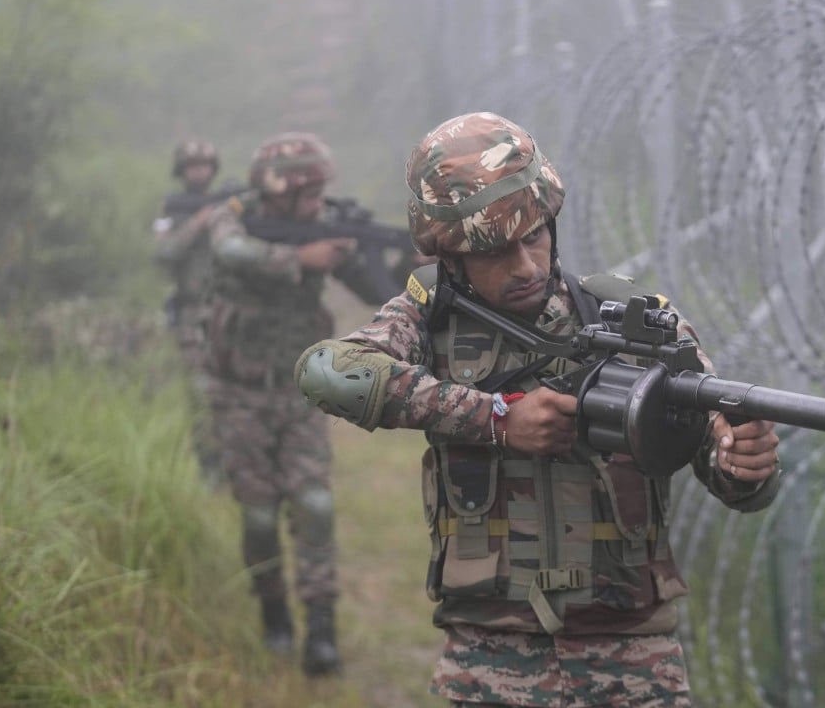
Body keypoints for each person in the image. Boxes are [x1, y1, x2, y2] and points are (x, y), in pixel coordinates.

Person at [294, 112, 782, 706]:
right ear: (451, 256)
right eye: (495, 251)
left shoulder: (635, 321)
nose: (525, 266)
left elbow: (726, 464)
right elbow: (327, 372)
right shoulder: (427, 316)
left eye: (534, 237)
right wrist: (495, 418)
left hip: (634, 660)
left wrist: (745, 464)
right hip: (491, 658)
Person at [197, 131, 366, 676]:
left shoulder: (323, 225)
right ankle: (273, 611)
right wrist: (299, 257)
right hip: (238, 394)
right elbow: (228, 250)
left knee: (314, 504)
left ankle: (320, 628)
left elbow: (373, 287)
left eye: (320, 193)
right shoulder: (234, 216)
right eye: (309, 193)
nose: (318, 204)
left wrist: (369, 257)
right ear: (279, 190)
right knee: (259, 515)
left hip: (300, 392)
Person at [152, 139, 227, 488]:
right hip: (192, 315)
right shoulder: (170, 211)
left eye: (204, 165)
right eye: (192, 166)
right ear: (181, 172)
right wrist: (199, 222)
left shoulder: (229, 206)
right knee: (201, 394)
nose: (199, 172)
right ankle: (209, 469)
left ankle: (239, 465)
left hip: (231, 313)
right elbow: (164, 253)